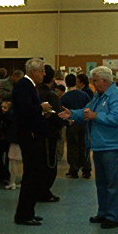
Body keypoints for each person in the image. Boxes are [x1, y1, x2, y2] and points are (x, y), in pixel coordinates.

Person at [59, 66, 118, 229]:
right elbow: (87, 111)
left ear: (104, 80)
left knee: (113, 183)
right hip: (100, 146)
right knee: (101, 183)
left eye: (95, 80)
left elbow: (117, 118)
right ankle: (103, 212)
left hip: (113, 146)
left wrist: (96, 116)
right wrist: (73, 114)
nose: (93, 83)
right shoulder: (98, 96)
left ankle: (113, 217)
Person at [13, 58, 54, 226]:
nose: (44, 74)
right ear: (34, 72)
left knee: (34, 174)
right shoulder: (24, 85)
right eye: (42, 71)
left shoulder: (28, 85)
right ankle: (23, 214)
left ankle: (29, 211)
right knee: (31, 175)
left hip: (32, 134)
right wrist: (41, 108)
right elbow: (24, 111)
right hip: (29, 136)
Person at [36, 64, 65, 202]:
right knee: (50, 164)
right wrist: (66, 122)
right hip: (49, 134)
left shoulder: (34, 92)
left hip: (36, 134)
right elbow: (57, 116)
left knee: (37, 164)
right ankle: (44, 192)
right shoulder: (51, 95)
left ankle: (38, 190)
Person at [61, 73, 91, 179]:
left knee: (72, 147)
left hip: (72, 124)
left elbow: (63, 112)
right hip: (84, 123)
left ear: (66, 83)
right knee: (84, 147)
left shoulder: (65, 97)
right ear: (76, 82)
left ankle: (74, 170)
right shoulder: (85, 95)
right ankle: (86, 170)